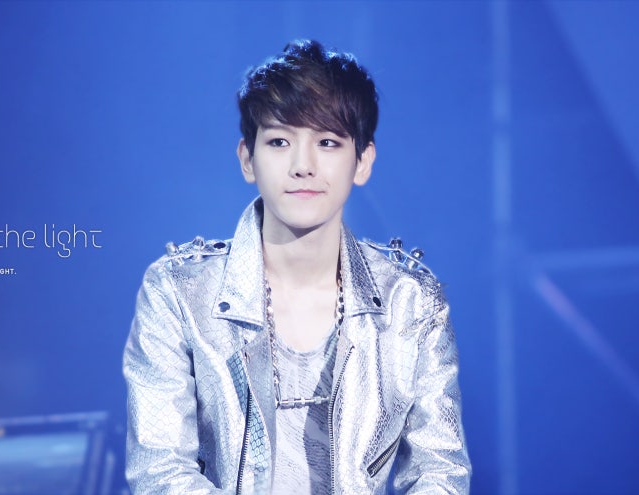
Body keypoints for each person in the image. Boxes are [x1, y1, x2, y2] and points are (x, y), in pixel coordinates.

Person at [123, 39, 471, 494]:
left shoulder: (411, 303)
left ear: (362, 161)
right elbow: (160, 472)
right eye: (279, 141)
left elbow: (439, 472)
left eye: (327, 142)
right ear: (247, 158)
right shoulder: (179, 293)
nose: (303, 166)